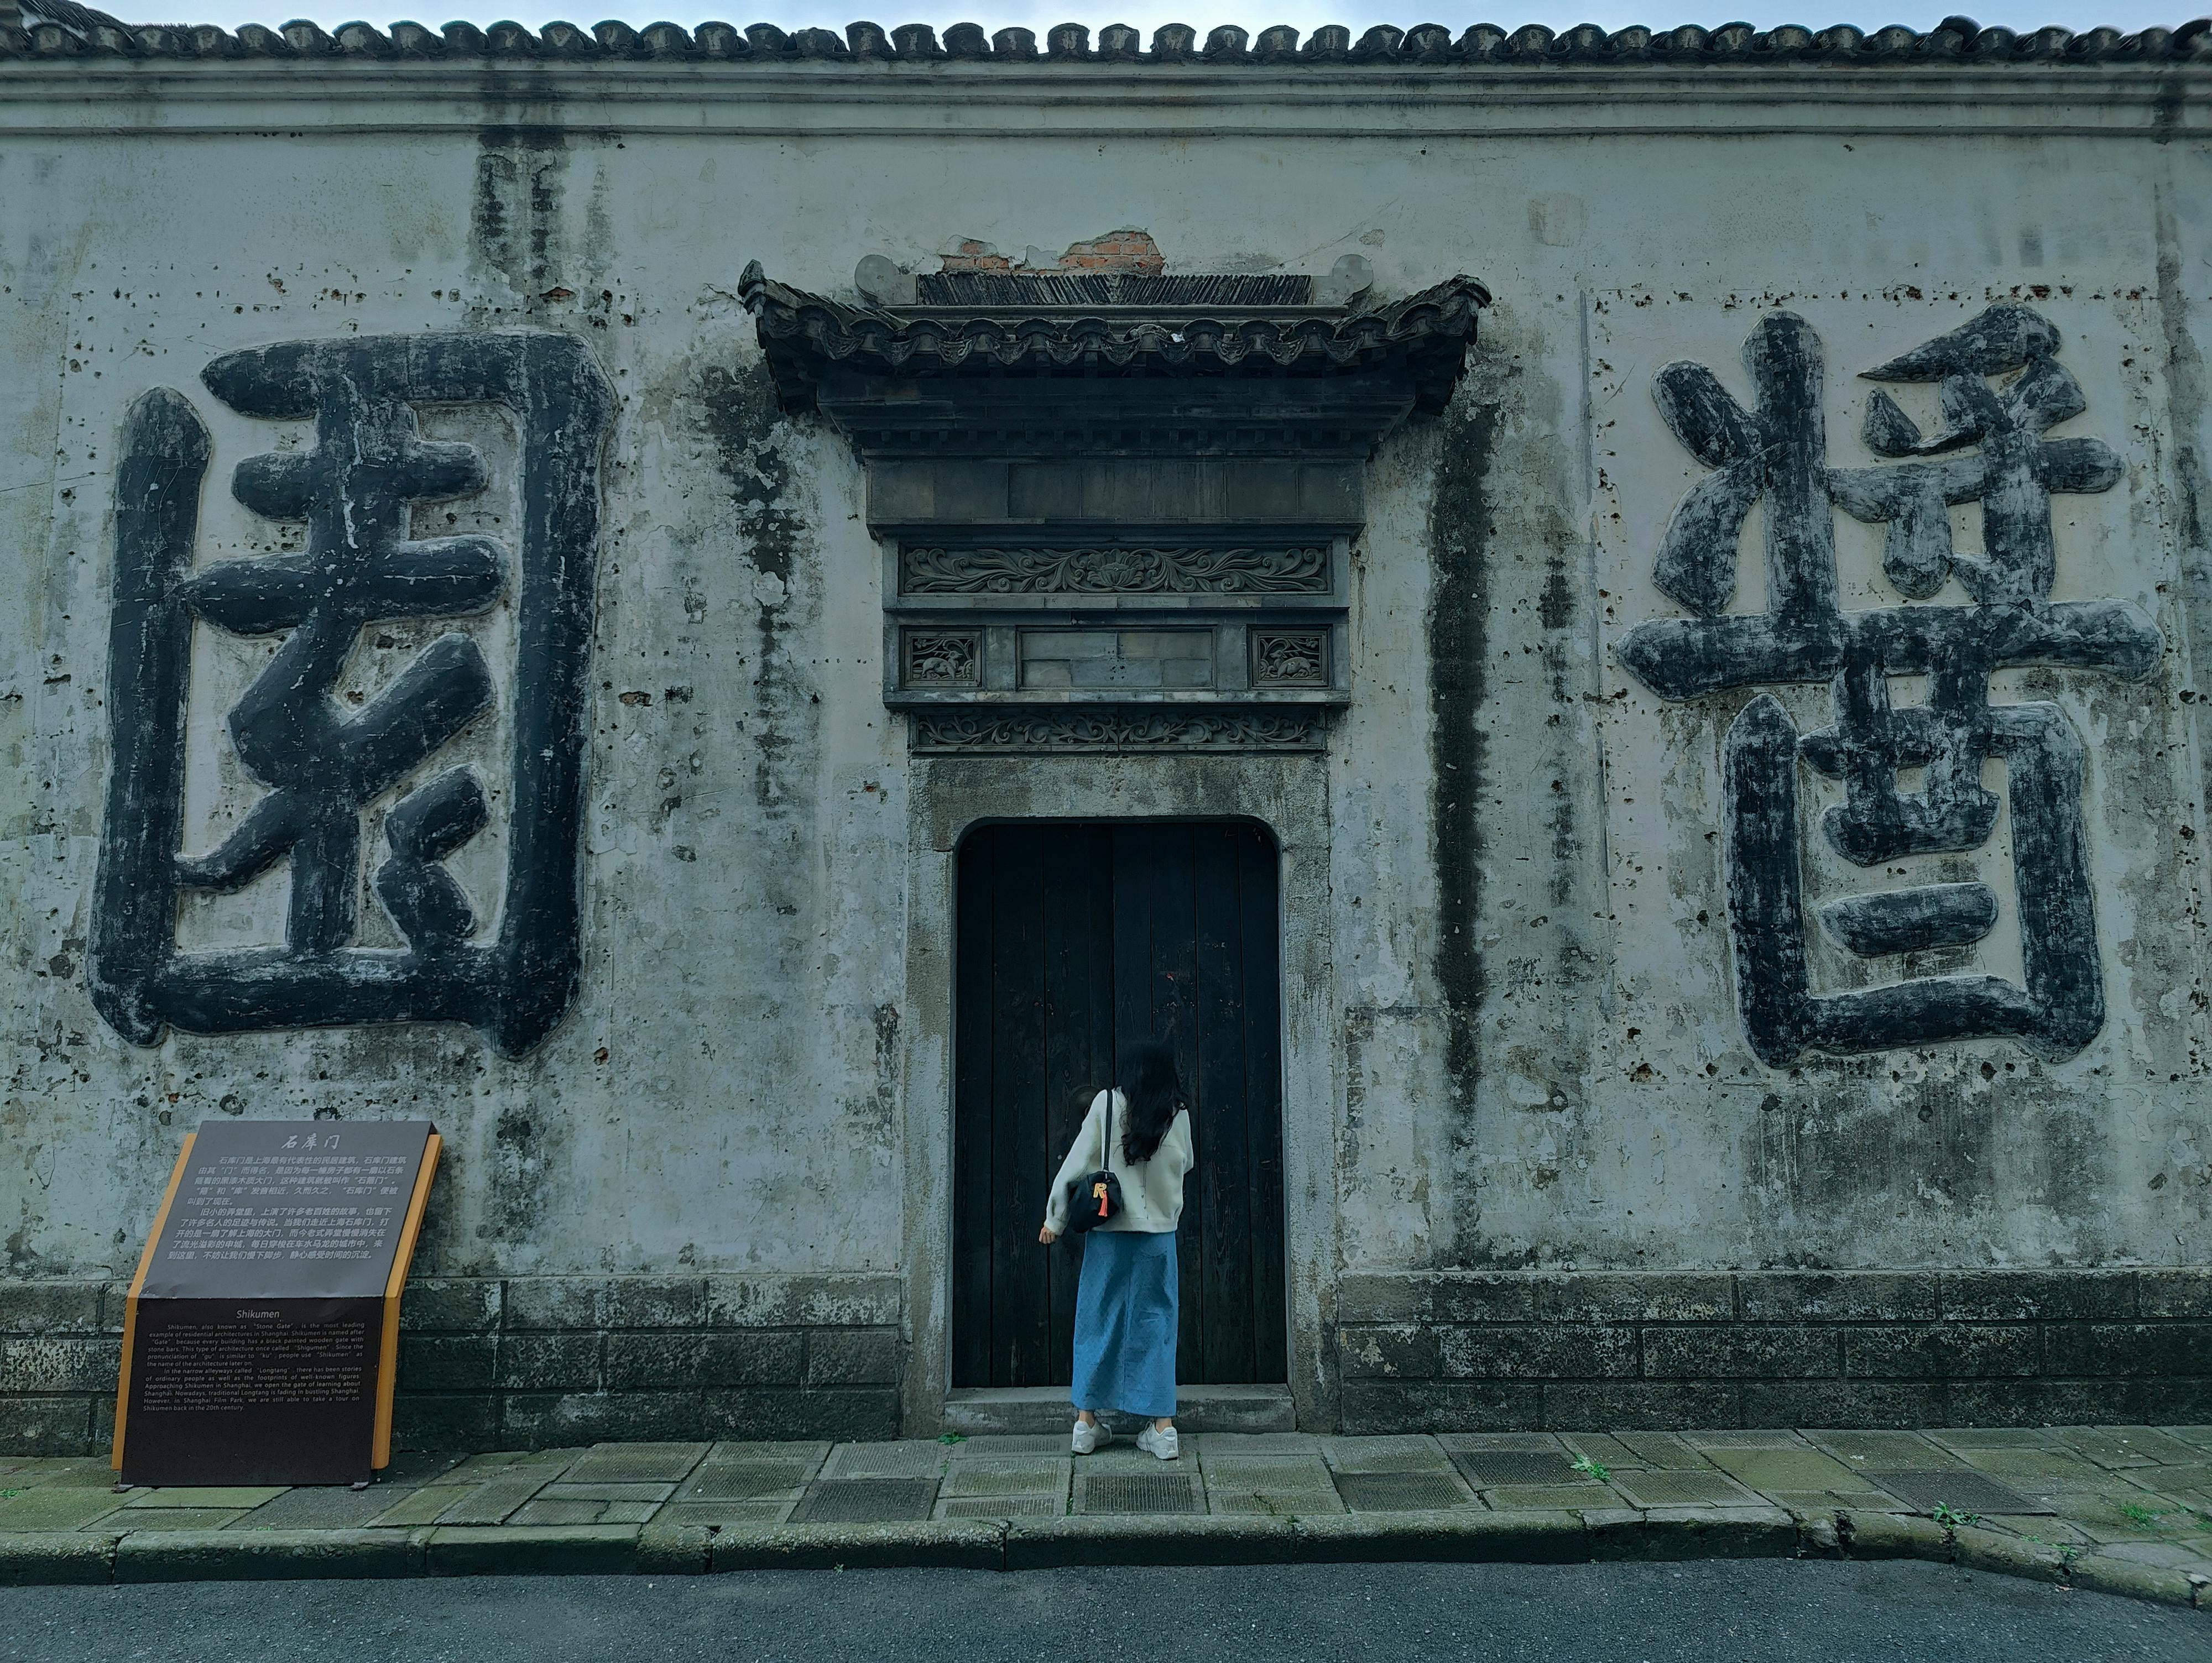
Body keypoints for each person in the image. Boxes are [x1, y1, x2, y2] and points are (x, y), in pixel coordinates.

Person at [1038, 1038, 1195, 1461]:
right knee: (1157, 1322)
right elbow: (1188, 1163)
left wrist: (1056, 1220)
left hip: (1109, 1233)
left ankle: (1086, 1423)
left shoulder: (1107, 1104)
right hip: (1158, 1236)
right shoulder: (1176, 1112)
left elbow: (1076, 1163)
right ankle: (1162, 1429)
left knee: (1097, 1318)